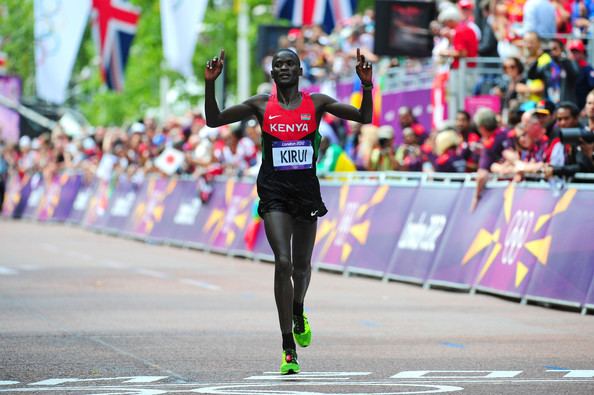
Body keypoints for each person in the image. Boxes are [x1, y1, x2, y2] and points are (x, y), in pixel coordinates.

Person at [204, 48, 373, 374]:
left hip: (306, 191)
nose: (283, 68)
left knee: (301, 266)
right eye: (278, 64)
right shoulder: (260, 104)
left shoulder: (318, 102)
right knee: (282, 261)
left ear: (299, 71)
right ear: (273, 72)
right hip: (274, 191)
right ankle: (287, 347)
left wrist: (366, 86)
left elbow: (363, 118)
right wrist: (211, 84)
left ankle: (298, 309)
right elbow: (214, 120)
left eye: (289, 64)